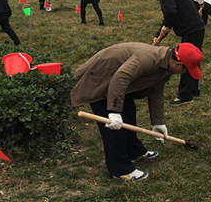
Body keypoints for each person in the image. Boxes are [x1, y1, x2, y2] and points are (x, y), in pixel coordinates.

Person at [70, 41, 203, 182]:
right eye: (186, 70)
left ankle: (134, 151)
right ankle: (120, 169)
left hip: (119, 84)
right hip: (102, 79)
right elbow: (121, 76)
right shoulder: (149, 58)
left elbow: (156, 91)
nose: (184, 74)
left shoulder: (166, 65)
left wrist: (158, 122)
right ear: (178, 64)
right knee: (114, 128)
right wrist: (114, 111)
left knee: (129, 112)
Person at [139, 0, 205, 105]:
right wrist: (159, 35)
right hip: (195, 28)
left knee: (186, 61)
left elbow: (170, 13)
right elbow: (168, 18)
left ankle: (185, 95)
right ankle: (193, 89)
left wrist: (167, 26)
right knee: (192, 59)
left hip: (192, 30)